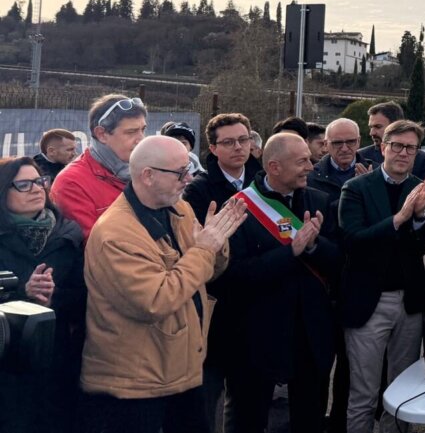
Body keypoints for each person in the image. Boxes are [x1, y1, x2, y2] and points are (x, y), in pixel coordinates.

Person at [80, 136, 245, 433]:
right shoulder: (115, 234)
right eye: (180, 173)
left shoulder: (179, 209)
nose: (189, 179)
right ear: (148, 175)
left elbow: (202, 273)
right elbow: (156, 301)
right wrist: (205, 249)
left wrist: (216, 245)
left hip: (181, 370)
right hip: (136, 384)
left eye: (189, 169)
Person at [214, 132, 340, 433]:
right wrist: (290, 252)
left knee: (309, 417)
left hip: (310, 333)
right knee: (247, 417)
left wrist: (313, 246)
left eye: (309, 159)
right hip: (256, 334)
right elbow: (233, 276)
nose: (310, 166)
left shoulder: (319, 200)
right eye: (301, 161)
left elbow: (339, 261)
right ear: (274, 166)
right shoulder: (238, 208)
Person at [338, 120, 425, 433]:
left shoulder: (420, 187)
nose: (404, 153)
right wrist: (400, 218)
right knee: (364, 394)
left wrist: (419, 216)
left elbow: (420, 248)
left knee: (401, 393)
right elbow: (353, 241)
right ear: (383, 148)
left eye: (411, 148)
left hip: (409, 303)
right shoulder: (356, 188)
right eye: (397, 146)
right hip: (370, 301)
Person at [181, 112, 259, 428]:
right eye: (228, 142)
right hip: (217, 303)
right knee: (206, 399)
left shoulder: (263, 181)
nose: (238, 147)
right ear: (213, 149)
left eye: (243, 140)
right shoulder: (198, 191)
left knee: (248, 400)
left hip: (255, 304)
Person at [0, 157, 85, 433]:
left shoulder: (68, 235)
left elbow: (84, 295)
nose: (37, 189)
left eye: (39, 181)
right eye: (23, 185)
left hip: (56, 361)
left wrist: (51, 298)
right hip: (6, 363)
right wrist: (22, 292)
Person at [307, 116, 370, 433]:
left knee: (351, 363)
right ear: (325, 145)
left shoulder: (373, 173)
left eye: (351, 142)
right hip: (321, 280)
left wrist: (369, 189)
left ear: (359, 142)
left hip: (357, 281)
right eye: (337, 143)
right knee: (317, 362)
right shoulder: (311, 177)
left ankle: (341, 423)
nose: (345, 148)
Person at [51, 93, 148, 239]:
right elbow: (95, 245)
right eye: (131, 132)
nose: (141, 139)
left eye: (143, 130)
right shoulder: (72, 184)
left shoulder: (146, 170)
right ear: (102, 134)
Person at [357, 102, 425, 179]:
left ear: (395, 126)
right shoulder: (361, 156)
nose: (372, 133)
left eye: (378, 127)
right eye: (371, 127)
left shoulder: (422, 159)